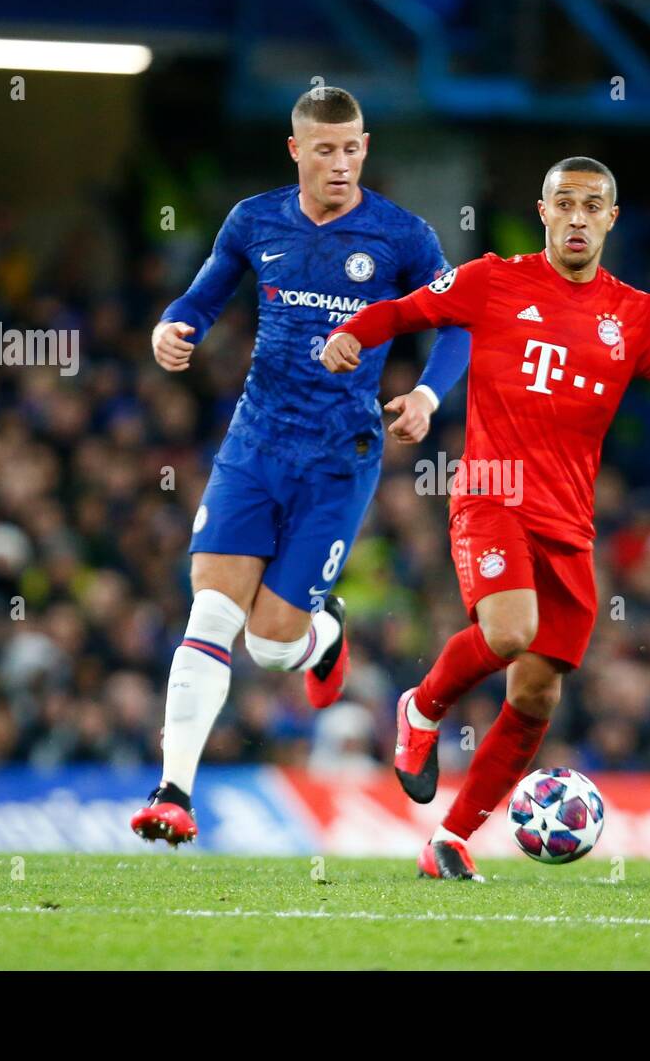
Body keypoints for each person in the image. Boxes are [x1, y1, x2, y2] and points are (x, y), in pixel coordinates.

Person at [324, 156, 650, 880]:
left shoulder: (635, 314)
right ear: (543, 212)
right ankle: (421, 708)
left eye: (592, 205)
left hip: (569, 521)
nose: (577, 216)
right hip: (491, 490)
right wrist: (353, 331)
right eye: (563, 203)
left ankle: (448, 838)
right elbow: (409, 309)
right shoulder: (493, 279)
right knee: (511, 632)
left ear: (612, 218)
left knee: (537, 692)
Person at [131, 86, 469, 845]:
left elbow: (459, 324)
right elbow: (203, 296)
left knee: (274, 644)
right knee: (213, 609)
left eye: (353, 148)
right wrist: (171, 327)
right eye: (325, 149)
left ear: (365, 147)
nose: (341, 164)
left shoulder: (401, 236)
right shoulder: (255, 220)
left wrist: (424, 394)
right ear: (296, 151)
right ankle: (173, 791)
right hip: (255, 442)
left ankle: (324, 636)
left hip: (339, 455)